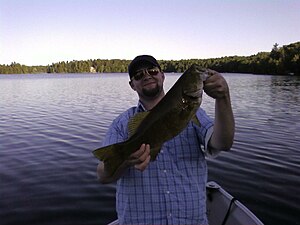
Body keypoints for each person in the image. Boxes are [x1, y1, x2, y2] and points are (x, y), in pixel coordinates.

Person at [97, 55, 235, 225]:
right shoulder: (121, 124)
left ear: (162, 75)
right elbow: (103, 175)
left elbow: (223, 143)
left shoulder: (195, 114)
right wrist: (125, 161)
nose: (147, 75)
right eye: (138, 75)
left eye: (153, 71)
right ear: (132, 85)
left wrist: (223, 98)